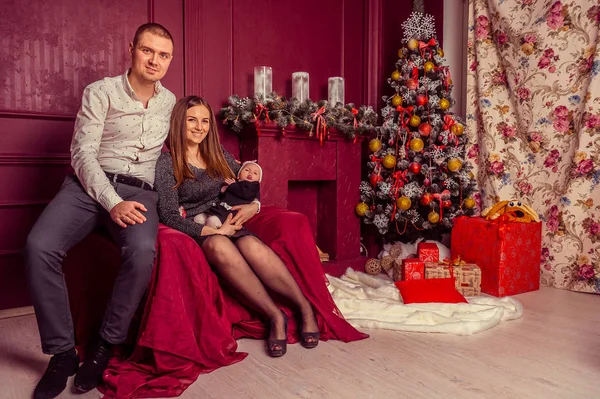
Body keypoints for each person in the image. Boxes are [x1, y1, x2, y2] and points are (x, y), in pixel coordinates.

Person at [23, 23, 176, 399]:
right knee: (39, 246)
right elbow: (82, 154)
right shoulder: (101, 92)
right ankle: (62, 354)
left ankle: (105, 346)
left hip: (140, 192)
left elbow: (198, 143)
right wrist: (112, 202)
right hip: (88, 186)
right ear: (131, 50)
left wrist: (245, 178)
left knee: (142, 251)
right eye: (147, 50)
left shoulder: (171, 102)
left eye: (163, 55)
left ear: (170, 60)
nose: (154, 60)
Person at [154, 96, 321, 358]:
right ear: (178, 123)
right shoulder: (167, 162)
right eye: (192, 120)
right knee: (220, 246)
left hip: (229, 216)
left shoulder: (218, 153)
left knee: (253, 247)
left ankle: (305, 307)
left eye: (205, 121)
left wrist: (254, 206)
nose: (199, 127)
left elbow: (250, 179)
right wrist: (214, 231)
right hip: (200, 227)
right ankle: (275, 316)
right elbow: (168, 215)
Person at [193, 160, 262, 230]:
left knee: (212, 221)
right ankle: (207, 219)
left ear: (258, 181)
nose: (250, 173)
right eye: (247, 170)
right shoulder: (235, 184)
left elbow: (245, 193)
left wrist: (232, 186)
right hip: (220, 207)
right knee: (198, 219)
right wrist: (225, 189)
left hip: (231, 212)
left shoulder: (252, 187)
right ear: (238, 176)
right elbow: (227, 196)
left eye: (255, 173)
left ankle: (214, 227)